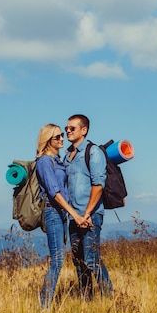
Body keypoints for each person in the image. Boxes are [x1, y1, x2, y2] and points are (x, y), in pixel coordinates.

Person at [35, 123, 89, 308]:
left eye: (61, 136)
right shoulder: (44, 161)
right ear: (47, 140)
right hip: (53, 211)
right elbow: (54, 192)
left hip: (61, 213)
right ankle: (44, 306)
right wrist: (75, 215)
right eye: (57, 137)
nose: (61, 139)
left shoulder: (57, 161)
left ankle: (46, 304)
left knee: (59, 258)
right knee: (57, 259)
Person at [64, 114, 113, 300]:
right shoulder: (68, 155)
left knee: (92, 259)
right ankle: (87, 299)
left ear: (83, 130)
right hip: (73, 217)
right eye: (66, 128)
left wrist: (87, 213)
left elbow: (98, 185)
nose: (68, 131)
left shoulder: (93, 152)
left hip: (90, 215)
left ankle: (109, 298)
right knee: (79, 261)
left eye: (72, 128)